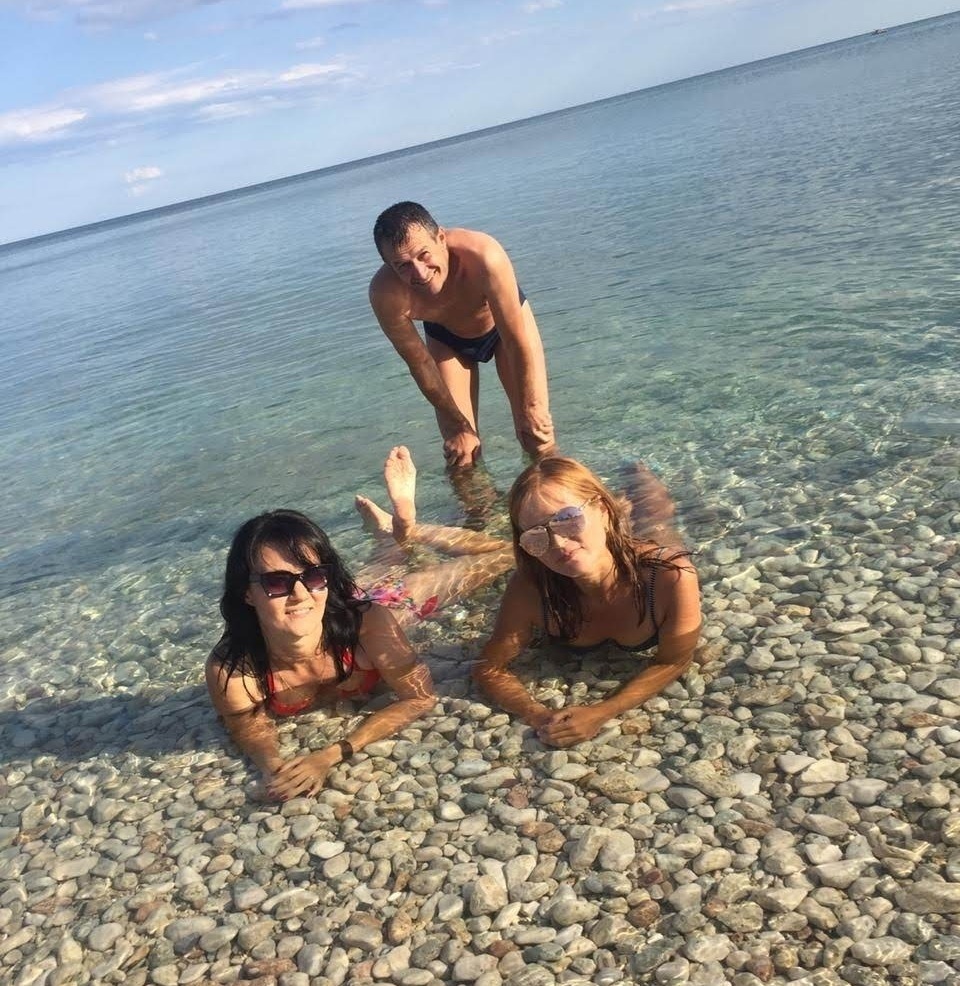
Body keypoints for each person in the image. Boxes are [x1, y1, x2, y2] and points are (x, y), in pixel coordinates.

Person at [207, 447, 512, 800]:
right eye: (277, 582)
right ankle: (387, 534)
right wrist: (273, 766)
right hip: (337, 604)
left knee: (505, 554)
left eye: (315, 575)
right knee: (379, 565)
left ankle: (407, 528)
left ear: (327, 577)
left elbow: (420, 698)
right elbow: (247, 728)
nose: (299, 594)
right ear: (246, 593)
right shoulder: (234, 669)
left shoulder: (369, 624)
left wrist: (332, 755)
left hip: (388, 605)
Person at [472, 456, 702, 748]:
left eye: (567, 520)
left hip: (642, 557)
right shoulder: (531, 589)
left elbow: (675, 660)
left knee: (655, 518)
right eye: (535, 535)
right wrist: (538, 715)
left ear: (603, 510)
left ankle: (637, 469)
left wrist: (602, 712)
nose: (558, 544)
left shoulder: (669, 576)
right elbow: (489, 667)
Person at [369, 201, 556, 467]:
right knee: (462, 454)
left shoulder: (483, 255)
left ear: (441, 238)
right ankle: (481, 496)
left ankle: (561, 492)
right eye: (403, 265)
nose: (419, 273)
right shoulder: (385, 294)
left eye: (423, 255)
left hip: (504, 330)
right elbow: (420, 364)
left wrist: (531, 407)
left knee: (536, 435)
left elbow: (515, 339)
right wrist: (458, 425)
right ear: (389, 266)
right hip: (447, 339)